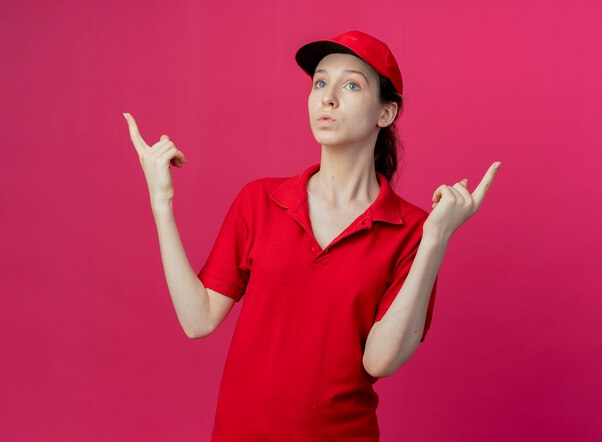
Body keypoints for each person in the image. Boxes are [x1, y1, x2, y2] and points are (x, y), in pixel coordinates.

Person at [124, 30, 500, 442]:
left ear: (386, 114)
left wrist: (436, 239)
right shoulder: (261, 200)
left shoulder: (411, 230)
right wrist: (161, 202)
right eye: (320, 82)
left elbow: (380, 361)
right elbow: (197, 320)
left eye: (351, 84)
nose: (328, 97)